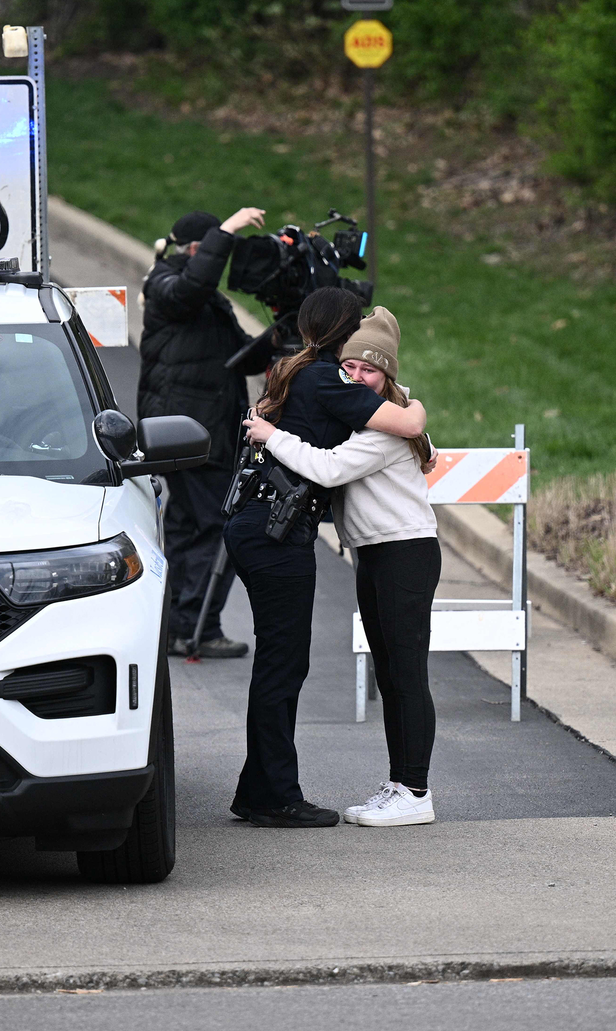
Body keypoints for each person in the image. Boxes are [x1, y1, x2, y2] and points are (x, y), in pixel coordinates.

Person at [224, 289, 428, 828]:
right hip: (276, 532)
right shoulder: (324, 377)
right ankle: (273, 795)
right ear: (343, 331)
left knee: (281, 661)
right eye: (353, 361)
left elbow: (391, 434)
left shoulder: (303, 371)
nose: (357, 374)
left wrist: (412, 407)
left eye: (369, 368)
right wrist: (416, 409)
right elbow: (359, 450)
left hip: (267, 527)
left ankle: (261, 790)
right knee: (283, 663)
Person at [140, 206, 265, 659]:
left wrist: (277, 340)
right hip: (188, 432)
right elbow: (192, 287)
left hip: (198, 429)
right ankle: (197, 626)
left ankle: (177, 625)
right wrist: (228, 231)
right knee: (216, 524)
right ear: (198, 248)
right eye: (215, 247)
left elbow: (235, 360)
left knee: (189, 524)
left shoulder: (203, 299)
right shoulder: (166, 283)